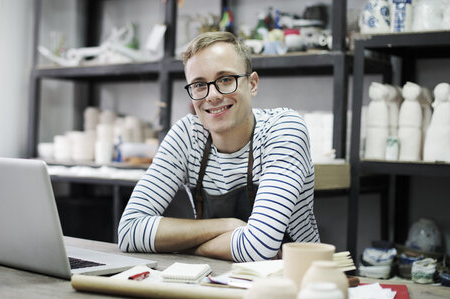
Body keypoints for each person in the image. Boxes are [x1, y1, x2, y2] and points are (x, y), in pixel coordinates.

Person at [117, 31, 319, 262]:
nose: (212, 96)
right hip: (216, 277)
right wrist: (228, 225)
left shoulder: (283, 129)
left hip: (293, 281)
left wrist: (184, 246)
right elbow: (128, 232)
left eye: (225, 79)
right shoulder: (187, 136)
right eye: (200, 84)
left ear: (252, 84)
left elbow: (260, 247)